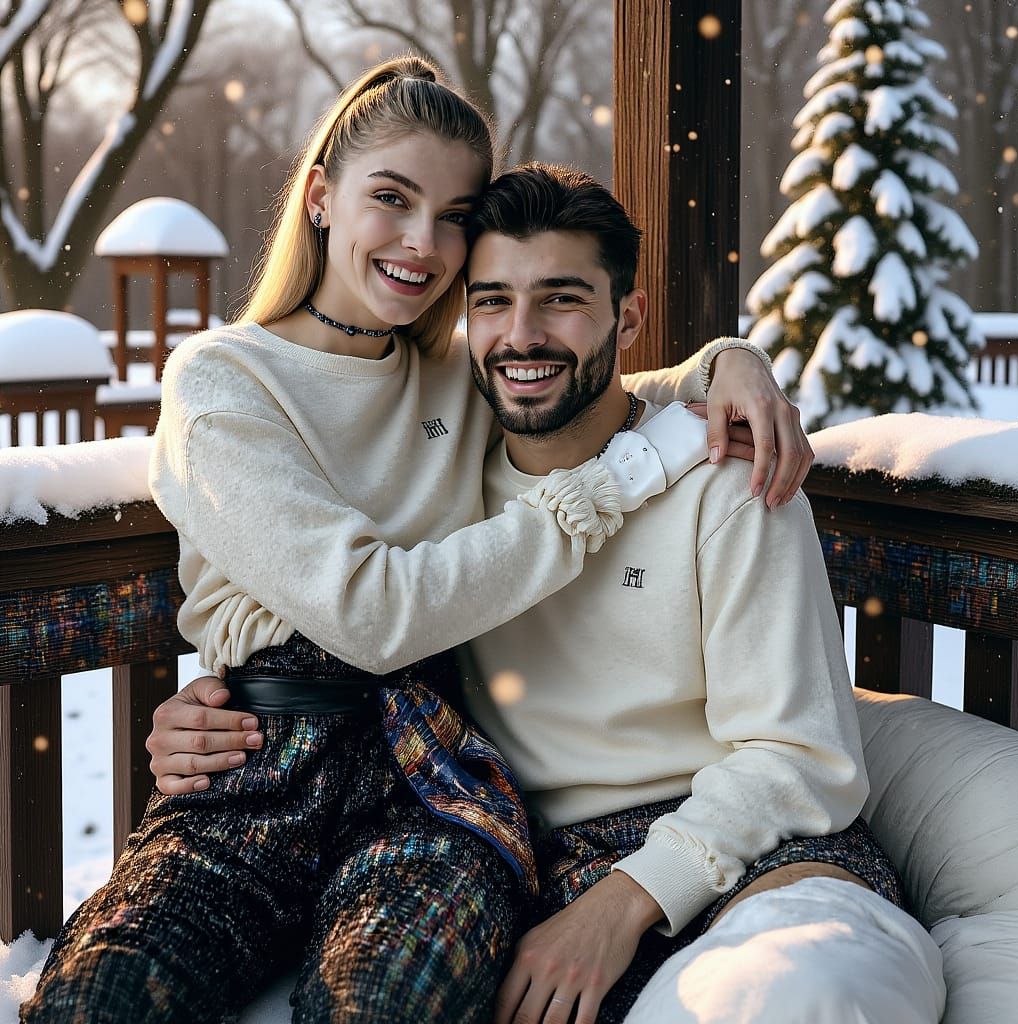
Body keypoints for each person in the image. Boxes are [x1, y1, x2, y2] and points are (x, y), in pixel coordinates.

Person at [21, 60, 805, 1024]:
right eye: (390, 198)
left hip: (434, 777)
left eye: (453, 215)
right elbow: (367, 614)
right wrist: (632, 474)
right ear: (319, 196)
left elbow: (593, 373)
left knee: (385, 1003)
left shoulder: (456, 365)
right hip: (254, 765)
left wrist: (734, 361)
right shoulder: (223, 382)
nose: (420, 242)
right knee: (100, 996)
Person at [148, 163, 947, 1024]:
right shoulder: (443, 478)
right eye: (491, 300)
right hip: (522, 860)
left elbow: (803, 759)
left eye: (561, 298)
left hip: (746, 849)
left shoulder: (725, 483)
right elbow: (335, 594)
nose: (520, 336)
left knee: (796, 994)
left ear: (627, 317)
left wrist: (627, 900)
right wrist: (218, 702)